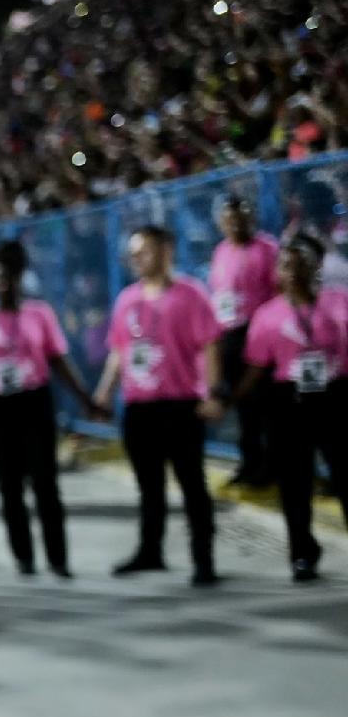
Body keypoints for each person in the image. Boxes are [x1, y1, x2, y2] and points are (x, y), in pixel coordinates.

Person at [0, 241, 104, 578]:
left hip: (33, 402)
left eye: (10, 276)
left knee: (45, 483)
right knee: (10, 484)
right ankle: (23, 555)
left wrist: (85, 398)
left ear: (19, 278)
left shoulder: (39, 313)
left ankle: (58, 558)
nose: (5, 282)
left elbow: (58, 360)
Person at [93, 225, 226, 587]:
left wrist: (212, 393)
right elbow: (119, 351)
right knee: (149, 485)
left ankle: (204, 559)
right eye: (133, 253)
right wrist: (104, 393)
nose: (137, 259)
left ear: (166, 251)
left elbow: (210, 346)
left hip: (180, 405)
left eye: (145, 251)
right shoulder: (126, 300)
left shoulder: (191, 295)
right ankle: (150, 551)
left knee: (191, 484)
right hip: (139, 407)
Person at [227, 234, 348, 581]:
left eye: (300, 263)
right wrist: (230, 400)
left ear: (317, 266)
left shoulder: (339, 302)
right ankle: (303, 553)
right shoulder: (266, 315)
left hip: (335, 397)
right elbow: (256, 367)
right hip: (288, 402)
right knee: (295, 481)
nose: (292, 271)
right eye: (285, 264)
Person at [208, 195, 280, 487]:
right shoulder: (221, 251)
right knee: (241, 404)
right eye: (229, 218)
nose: (235, 223)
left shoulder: (267, 248)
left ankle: (270, 467)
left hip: (258, 333)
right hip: (230, 334)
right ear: (222, 222)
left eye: (241, 217)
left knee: (266, 405)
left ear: (252, 219)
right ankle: (249, 463)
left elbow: (278, 294)